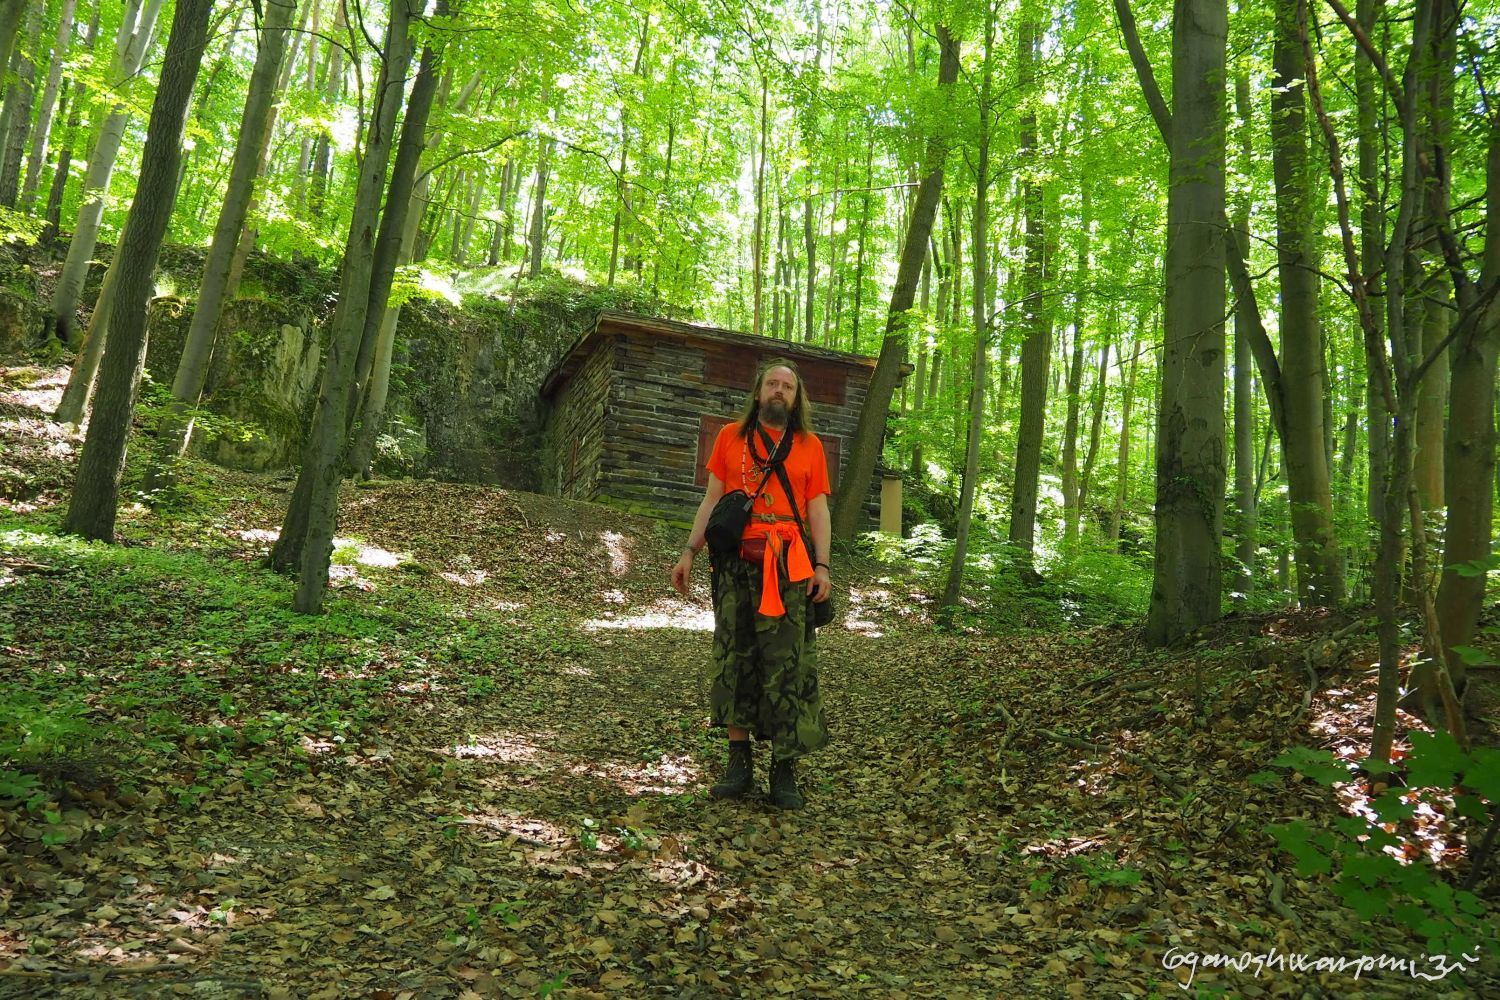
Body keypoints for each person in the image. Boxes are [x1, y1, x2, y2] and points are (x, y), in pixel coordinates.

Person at [670, 359, 833, 809]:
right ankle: (738, 764)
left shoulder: (810, 445)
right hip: (736, 566)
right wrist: (689, 551)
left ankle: (785, 769)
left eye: (788, 386)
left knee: (789, 665)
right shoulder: (729, 438)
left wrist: (823, 565)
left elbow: (818, 510)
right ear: (758, 392)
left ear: (797, 398)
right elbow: (713, 499)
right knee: (733, 658)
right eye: (772, 384)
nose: (779, 391)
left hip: (790, 569)